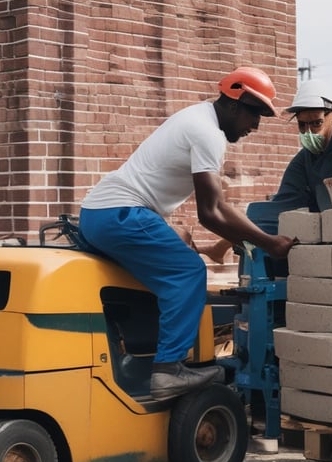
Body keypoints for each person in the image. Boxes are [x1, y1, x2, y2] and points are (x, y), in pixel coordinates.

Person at [79, 66, 296, 401]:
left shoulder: (196, 118)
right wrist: (269, 243)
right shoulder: (207, 133)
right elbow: (211, 213)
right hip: (119, 214)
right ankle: (167, 370)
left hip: (105, 214)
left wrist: (241, 241)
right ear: (235, 103)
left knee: (171, 265)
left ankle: (141, 362)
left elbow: (213, 209)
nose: (255, 126)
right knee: (188, 271)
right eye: (255, 115)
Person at [190, 79, 332, 262]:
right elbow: (277, 211)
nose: (309, 132)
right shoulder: (302, 163)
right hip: (331, 238)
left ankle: (220, 249)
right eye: (302, 126)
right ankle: (222, 248)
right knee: (260, 214)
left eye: (316, 124)